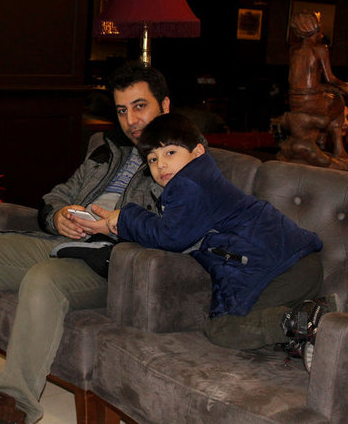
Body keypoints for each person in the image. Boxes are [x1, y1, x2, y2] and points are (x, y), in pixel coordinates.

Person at [0, 61, 169, 424]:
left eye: (140, 106)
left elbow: (170, 230)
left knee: (43, 279)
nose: (131, 120)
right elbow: (58, 194)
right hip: (63, 240)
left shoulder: (178, 158)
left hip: (111, 262)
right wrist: (57, 217)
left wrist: (113, 225)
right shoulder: (108, 149)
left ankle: (15, 404)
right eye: (122, 110)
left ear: (164, 106)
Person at [94, 113, 331, 372]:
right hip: (295, 265)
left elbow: (170, 237)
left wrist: (126, 218)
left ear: (197, 152)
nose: (161, 164)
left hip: (285, 269)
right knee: (250, 325)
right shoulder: (203, 182)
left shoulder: (190, 184)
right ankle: (308, 327)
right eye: (152, 159)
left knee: (221, 329)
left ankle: (306, 320)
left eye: (170, 152)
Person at [275, 10, 348, 168]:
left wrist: (324, 88)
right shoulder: (320, 49)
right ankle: (338, 148)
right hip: (312, 102)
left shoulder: (293, 50)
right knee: (339, 103)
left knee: (331, 97)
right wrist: (344, 85)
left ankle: (321, 139)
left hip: (294, 101)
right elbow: (331, 78)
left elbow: (297, 82)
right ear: (316, 30)